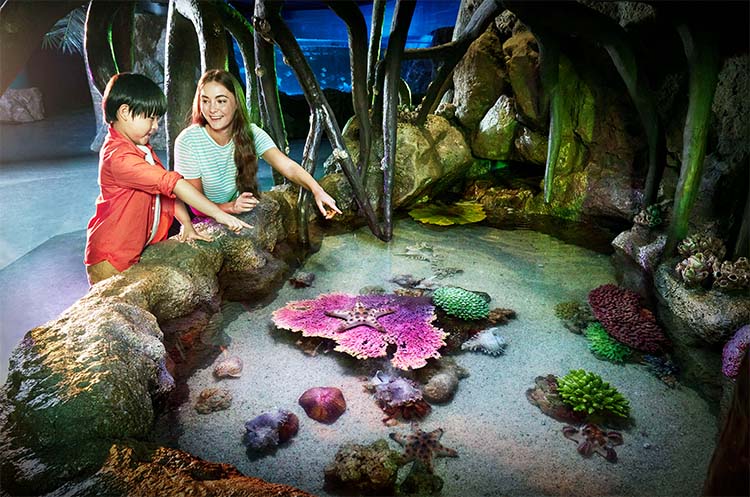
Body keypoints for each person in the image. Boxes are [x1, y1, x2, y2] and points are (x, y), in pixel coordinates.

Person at [84, 73, 251, 286]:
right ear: (124, 112)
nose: (155, 126)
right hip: (111, 258)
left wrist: (187, 224)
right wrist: (219, 214)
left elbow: (166, 194)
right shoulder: (118, 157)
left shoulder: (139, 148)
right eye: (150, 118)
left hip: (133, 250)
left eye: (157, 120)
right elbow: (172, 184)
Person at [174, 69, 342, 219]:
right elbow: (195, 205)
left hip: (235, 211)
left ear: (236, 103)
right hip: (198, 219)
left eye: (221, 101)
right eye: (205, 101)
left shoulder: (251, 132)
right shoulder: (188, 141)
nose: (212, 109)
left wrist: (317, 190)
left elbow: (288, 167)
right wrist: (231, 207)